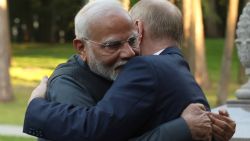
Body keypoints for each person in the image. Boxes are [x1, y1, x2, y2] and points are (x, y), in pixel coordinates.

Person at [23, 0, 235, 141]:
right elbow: (90, 129)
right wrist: (182, 128)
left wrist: (211, 128)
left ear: (138, 31)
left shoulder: (135, 70)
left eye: (132, 41)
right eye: (112, 45)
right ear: (81, 47)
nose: (129, 53)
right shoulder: (68, 82)